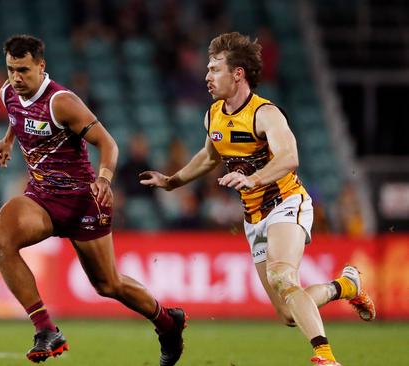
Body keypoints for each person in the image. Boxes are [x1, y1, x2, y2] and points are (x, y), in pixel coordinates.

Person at [139, 32, 375, 366]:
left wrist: (253, 178)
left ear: (238, 74)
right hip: (253, 219)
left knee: (283, 276)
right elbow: (209, 157)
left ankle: (325, 356)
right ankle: (345, 286)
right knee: (288, 314)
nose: (207, 76)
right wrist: (172, 181)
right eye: (207, 69)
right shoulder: (213, 115)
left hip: (286, 203)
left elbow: (289, 157)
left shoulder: (266, 114)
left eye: (215, 69)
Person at [0, 35, 187, 365]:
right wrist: (7, 141)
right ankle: (45, 329)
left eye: (23, 70)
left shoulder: (62, 102)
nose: (16, 78)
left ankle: (168, 323)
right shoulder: (8, 93)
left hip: (83, 201)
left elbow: (109, 144)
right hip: (41, 198)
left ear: (41, 66)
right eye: (10, 69)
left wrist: (105, 179)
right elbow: (17, 118)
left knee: (108, 285)